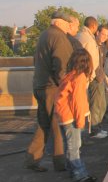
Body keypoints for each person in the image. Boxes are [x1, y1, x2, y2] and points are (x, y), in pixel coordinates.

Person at [24, 10, 74, 172]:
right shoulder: (59, 38)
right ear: (59, 23)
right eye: (67, 24)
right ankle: (60, 163)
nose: (69, 27)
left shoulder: (44, 35)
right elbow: (61, 68)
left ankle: (32, 159)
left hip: (39, 85)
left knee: (43, 124)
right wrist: (66, 90)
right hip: (52, 88)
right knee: (57, 125)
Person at [54, 48, 97, 182]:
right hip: (71, 116)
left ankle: (73, 170)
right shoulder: (79, 78)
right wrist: (80, 121)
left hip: (63, 115)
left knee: (70, 145)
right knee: (74, 145)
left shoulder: (70, 75)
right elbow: (77, 101)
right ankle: (79, 173)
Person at [75, 16, 108, 139]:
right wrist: (91, 76)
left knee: (99, 104)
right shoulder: (89, 40)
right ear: (94, 27)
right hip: (90, 77)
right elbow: (91, 61)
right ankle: (93, 131)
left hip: (89, 77)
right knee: (95, 104)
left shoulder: (80, 36)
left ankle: (94, 129)